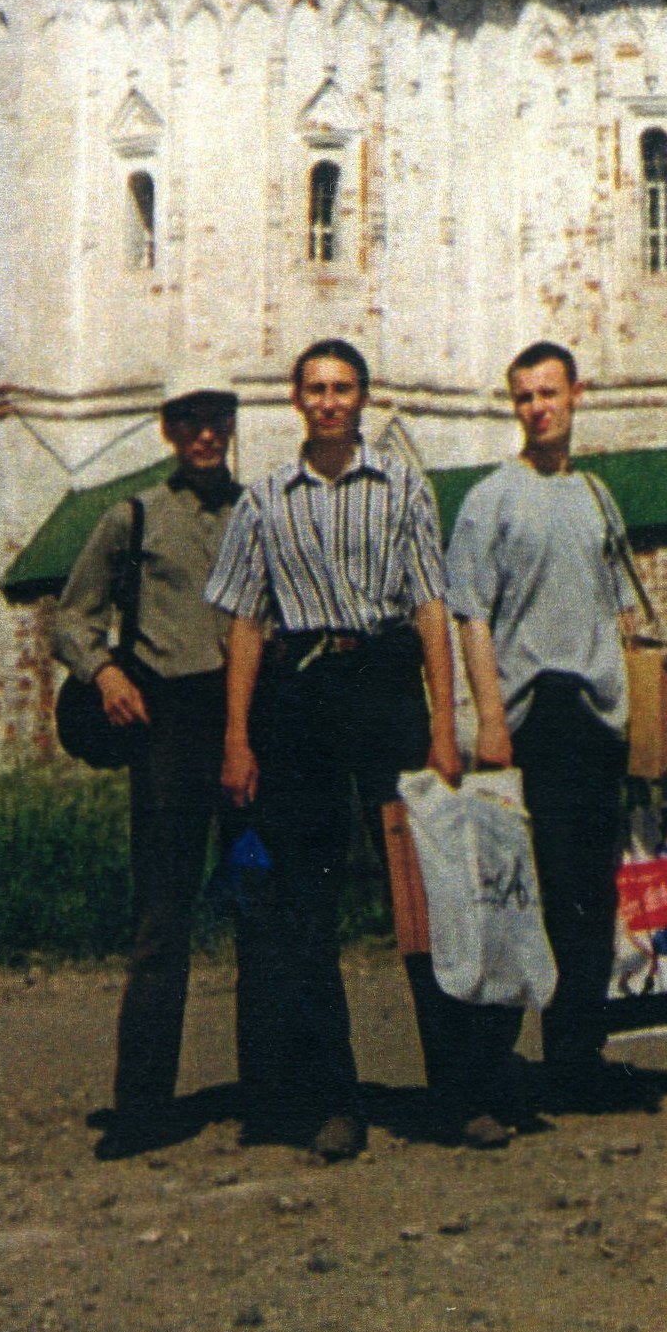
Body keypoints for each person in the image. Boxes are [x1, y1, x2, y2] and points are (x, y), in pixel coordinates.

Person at [207, 337, 479, 1160]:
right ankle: (336, 1100)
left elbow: (430, 604)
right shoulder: (264, 500)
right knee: (307, 908)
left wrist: (442, 723)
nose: (329, 402)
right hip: (299, 707)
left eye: (343, 388)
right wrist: (237, 736)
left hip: (384, 692)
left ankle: (458, 1095)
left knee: (420, 895)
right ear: (296, 401)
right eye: (316, 389)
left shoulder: (402, 487)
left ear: (364, 399)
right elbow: (245, 623)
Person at [447, 341, 655, 1115]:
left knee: (589, 895)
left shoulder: (597, 497)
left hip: (596, 713)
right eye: (524, 398)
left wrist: (642, 698)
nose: (538, 409)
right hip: (529, 717)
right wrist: (490, 718)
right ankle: (490, 1071)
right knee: (516, 891)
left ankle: (576, 1055)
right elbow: (470, 612)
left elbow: (623, 605)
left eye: (549, 394)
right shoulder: (490, 499)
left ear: (576, 396)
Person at [52, 378, 254, 1161]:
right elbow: (73, 615)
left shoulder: (256, 512)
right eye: (191, 421)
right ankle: (142, 1104)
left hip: (243, 727)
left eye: (218, 421)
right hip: (168, 726)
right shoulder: (133, 517)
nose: (206, 435)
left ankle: (269, 1088)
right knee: (164, 915)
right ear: (169, 430)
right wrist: (104, 674)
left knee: (257, 898)